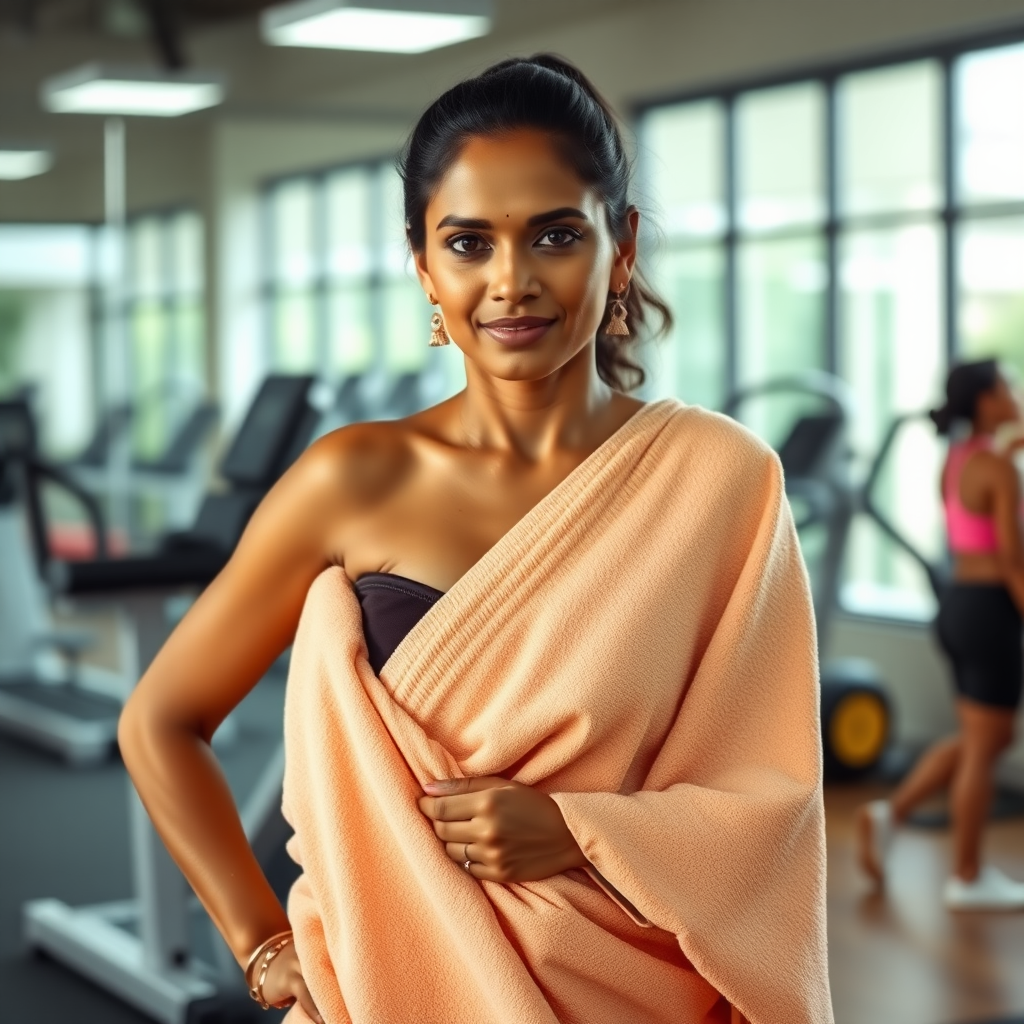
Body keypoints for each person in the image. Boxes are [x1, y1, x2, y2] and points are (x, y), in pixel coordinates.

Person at [117, 55, 832, 1024]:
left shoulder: (723, 478)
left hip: (627, 990)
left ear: (619, 249)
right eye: (467, 242)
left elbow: (769, 804)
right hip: (373, 988)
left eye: (554, 234)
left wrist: (579, 831)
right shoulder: (352, 478)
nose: (512, 282)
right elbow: (159, 720)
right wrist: (262, 945)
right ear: (422, 265)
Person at [858, 359, 1024, 910]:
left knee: (984, 737)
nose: (1016, 391)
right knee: (985, 746)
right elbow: (1013, 562)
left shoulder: (957, 459)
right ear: (985, 401)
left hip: (956, 605)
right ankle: (968, 875)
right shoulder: (1001, 470)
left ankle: (892, 813)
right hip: (990, 607)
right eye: (1008, 385)